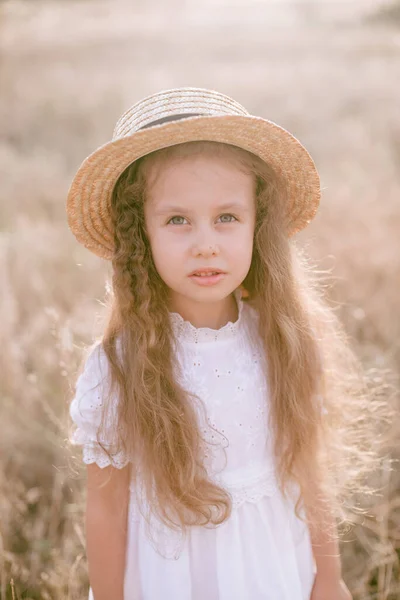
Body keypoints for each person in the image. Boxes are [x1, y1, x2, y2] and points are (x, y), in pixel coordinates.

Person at [67, 87, 383, 600]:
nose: (206, 242)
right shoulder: (120, 364)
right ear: (140, 235)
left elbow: (309, 473)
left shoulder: (283, 339)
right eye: (177, 220)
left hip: (275, 569)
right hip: (173, 578)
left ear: (258, 227)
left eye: (227, 217)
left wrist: (329, 579)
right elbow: (106, 508)